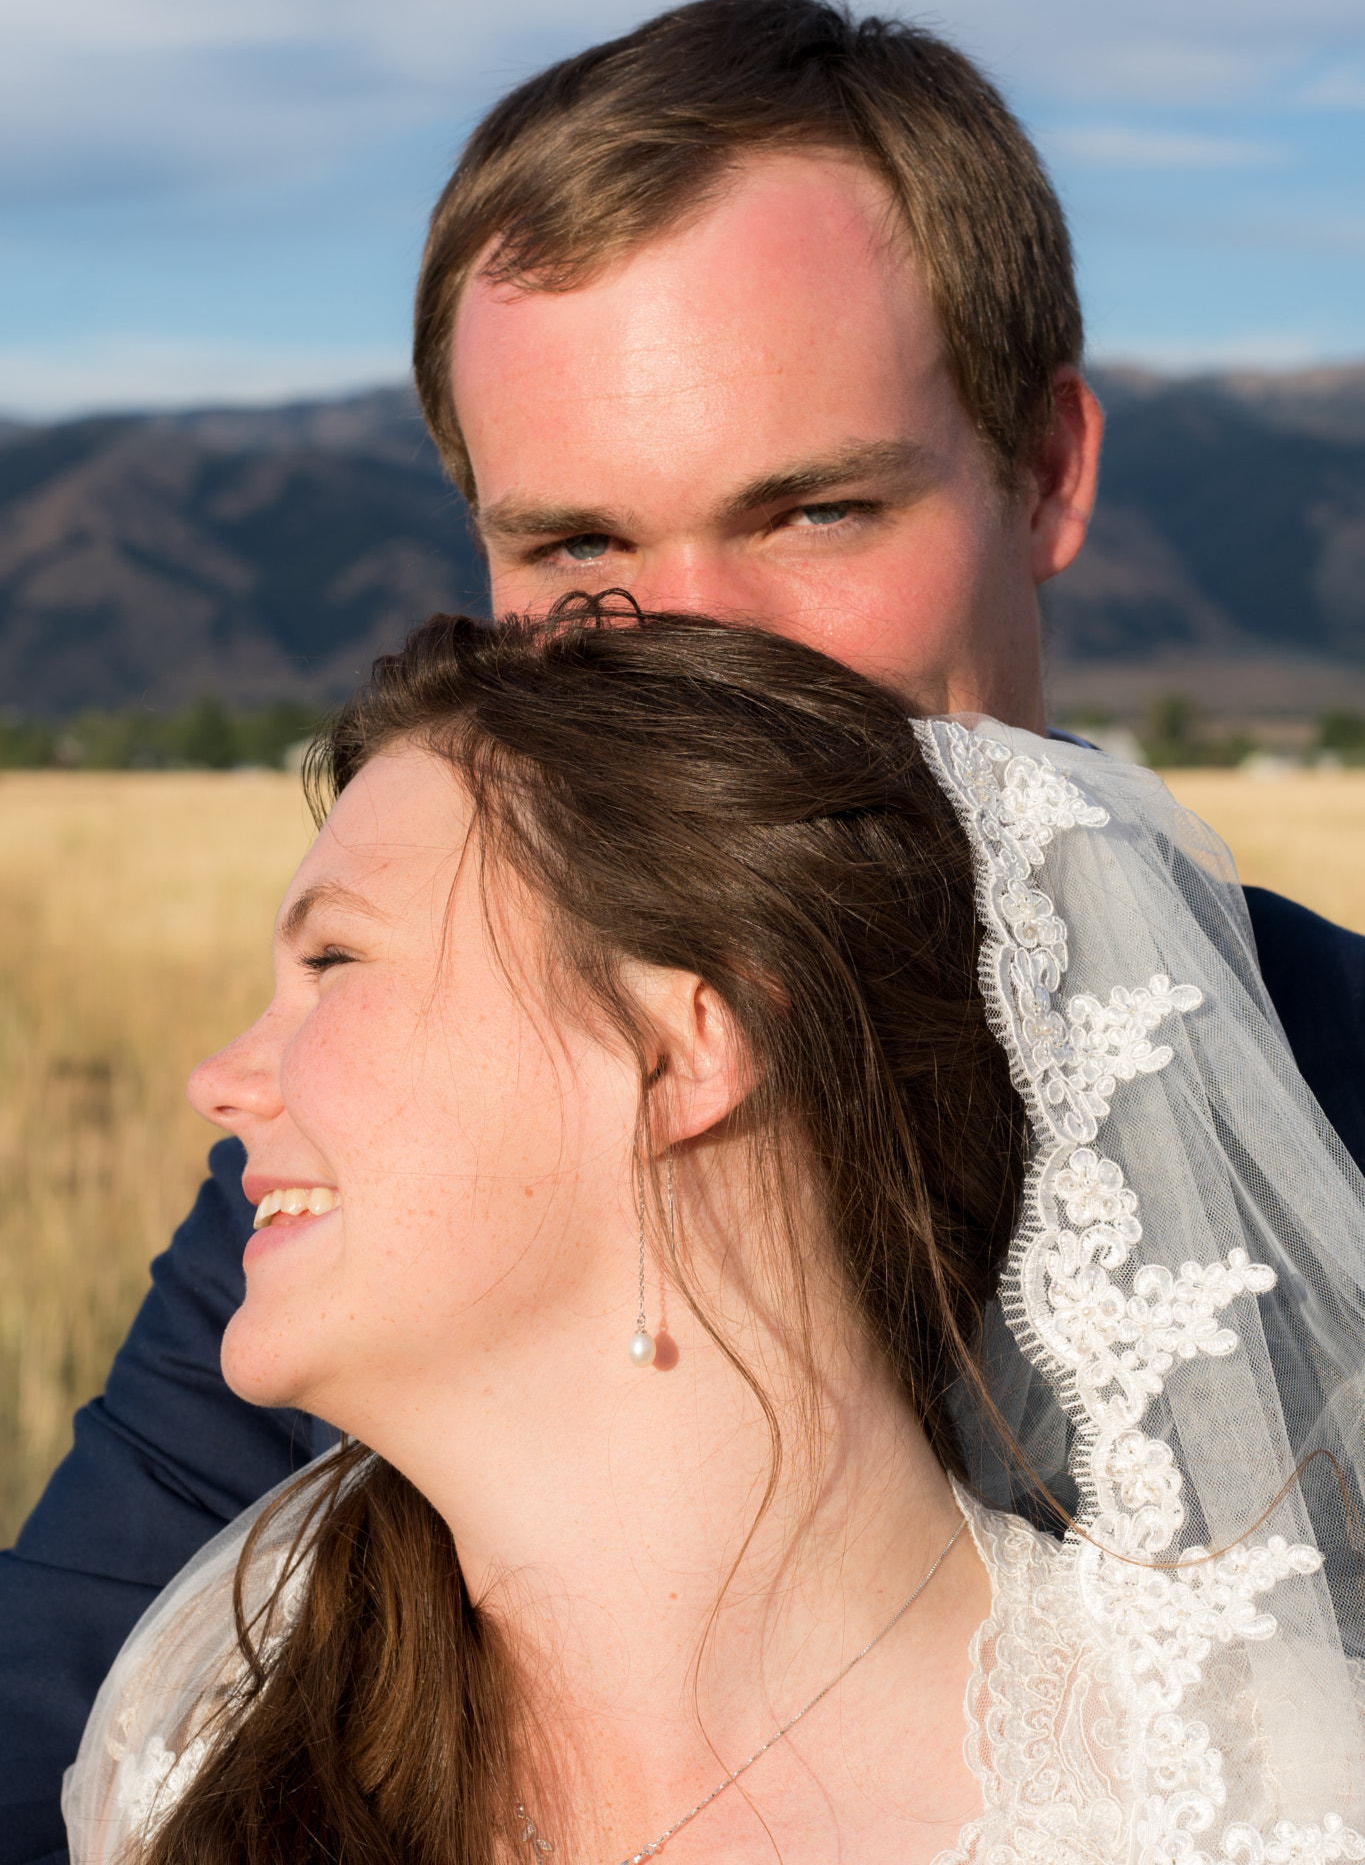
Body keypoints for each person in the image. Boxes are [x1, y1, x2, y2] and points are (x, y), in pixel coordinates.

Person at [5, 0, 1364, 1865]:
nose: (699, 649)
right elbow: (50, 1699)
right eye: (577, 552)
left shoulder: (1328, 1093)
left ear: (1046, 474)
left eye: (811, 511)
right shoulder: (395, 1148)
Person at [60, 602, 1365, 1862]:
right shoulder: (207, 1721)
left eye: (334, 961)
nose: (221, 1080)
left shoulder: (1253, 1802)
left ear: (679, 1049)